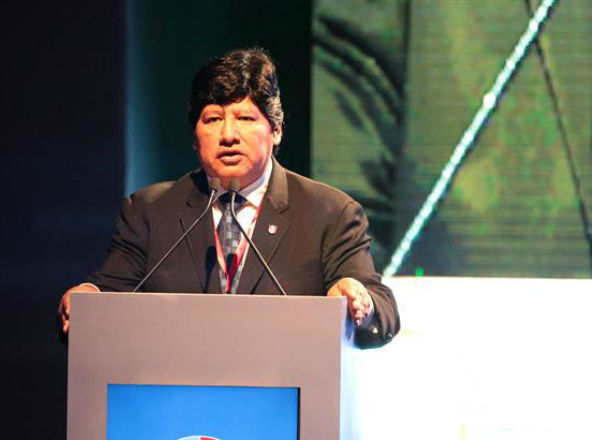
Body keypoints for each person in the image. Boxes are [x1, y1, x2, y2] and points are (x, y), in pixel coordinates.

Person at [57, 47, 399, 348]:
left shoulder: (330, 213)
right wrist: (88, 299)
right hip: (176, 404)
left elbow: (384, 314)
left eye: (245, 118)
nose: (229, 135)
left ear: (276, 130)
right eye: (213, 119)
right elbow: (109, 295)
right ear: (194, 136)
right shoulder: (149, 211)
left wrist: (359, 299)